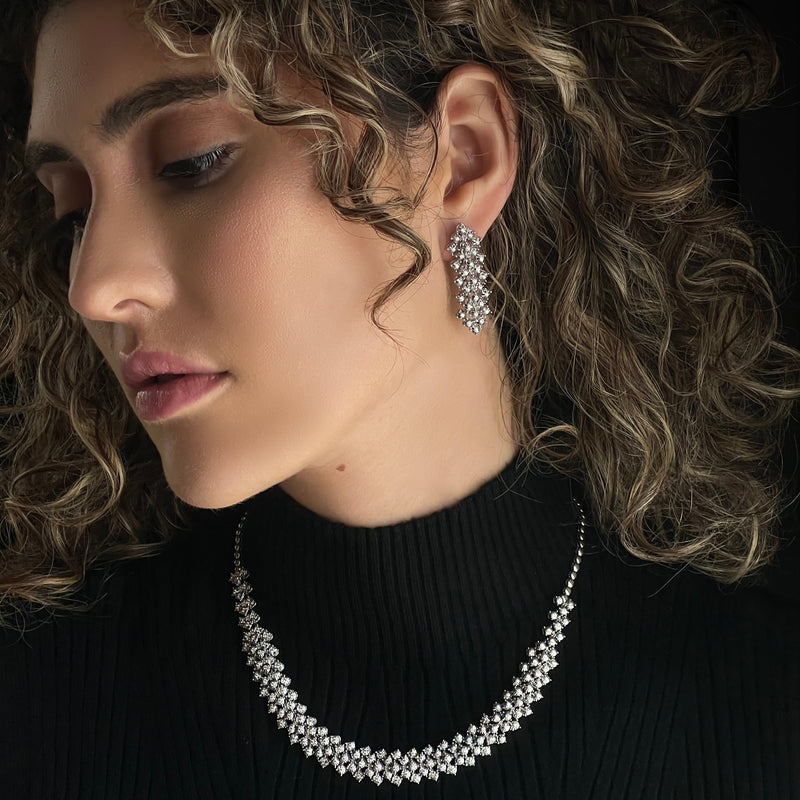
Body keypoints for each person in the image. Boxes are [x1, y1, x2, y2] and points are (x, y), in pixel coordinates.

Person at [1, 0, 798, 797]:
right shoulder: (38, 713)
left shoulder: (764, 723)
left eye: (192, 161)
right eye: (74, 211)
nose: (95, 287)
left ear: (465, 156)